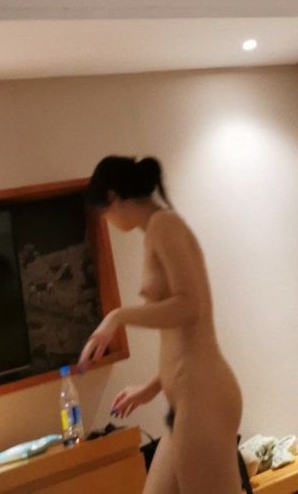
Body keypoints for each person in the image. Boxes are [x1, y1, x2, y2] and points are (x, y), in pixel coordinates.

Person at [79, 155, 243, 494]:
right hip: (187, 396)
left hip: (203, 395)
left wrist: (117, 317)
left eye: (104, 214)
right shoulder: (155, 231)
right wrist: (151, 388)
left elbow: (189, 306)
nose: (107, 222)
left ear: (112, 197)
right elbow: (181, 333)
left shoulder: (164, 226)